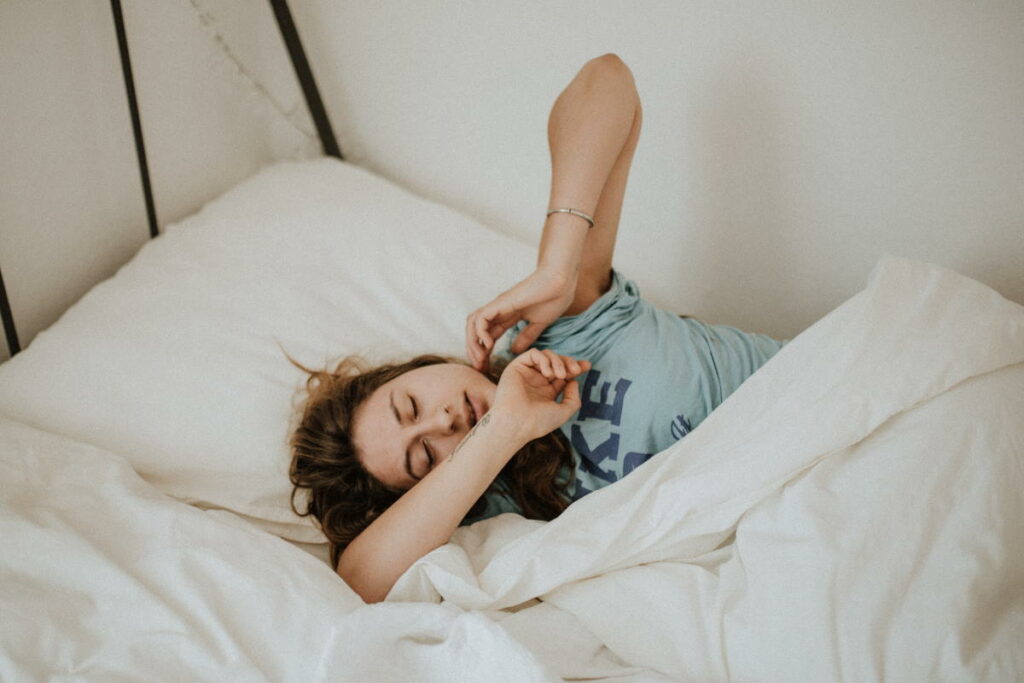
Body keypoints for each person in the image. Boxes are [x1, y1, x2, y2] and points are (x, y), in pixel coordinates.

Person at [287, 54, 787, 603]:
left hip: (823, 401)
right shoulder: (503, 509)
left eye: (411, 406)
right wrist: (502, 430)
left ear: (421, 369)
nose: (444, 420)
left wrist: (558, 265)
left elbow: (608, 81)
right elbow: (361, 581)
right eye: (425, 456)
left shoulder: (563, 329)